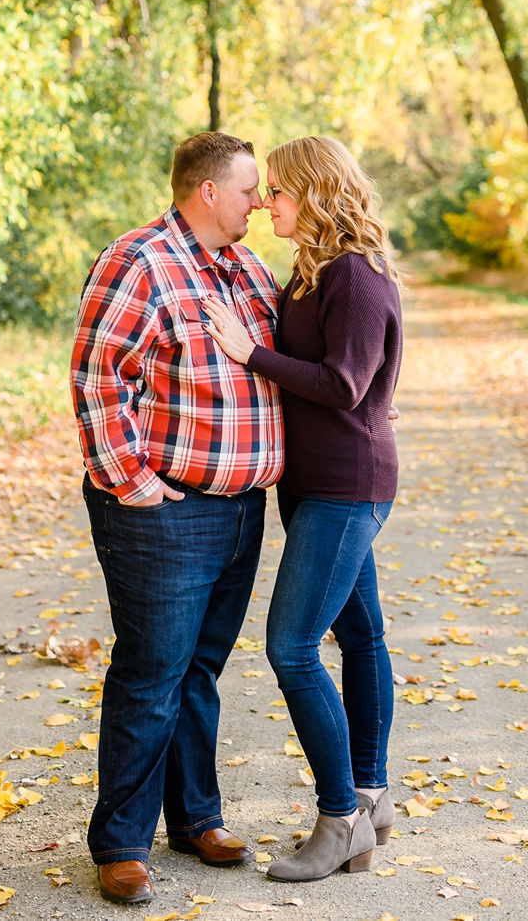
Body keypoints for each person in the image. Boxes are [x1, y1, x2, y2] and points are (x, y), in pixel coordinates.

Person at [70, 132, 284, 905]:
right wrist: (135, 484)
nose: (259, 201)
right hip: (165, 510)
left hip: (241, 511)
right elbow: (100, 378)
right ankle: (121, 843)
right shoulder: (140, 261)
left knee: (200, 671)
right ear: (206, 191)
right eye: (250, 188)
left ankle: (195, 818)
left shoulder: (249, 271)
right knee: (152, 673)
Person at [201, 135, 403, 883]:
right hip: (321, 484)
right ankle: (373, 795)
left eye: (276, 191)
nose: (264, 202)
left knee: (290, 647)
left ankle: (342, 815)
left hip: (346, 486)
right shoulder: (316, 272)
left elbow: (346, 382)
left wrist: (248, 350)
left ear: (314, 194)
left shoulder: (354, 273)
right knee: (360, 634)